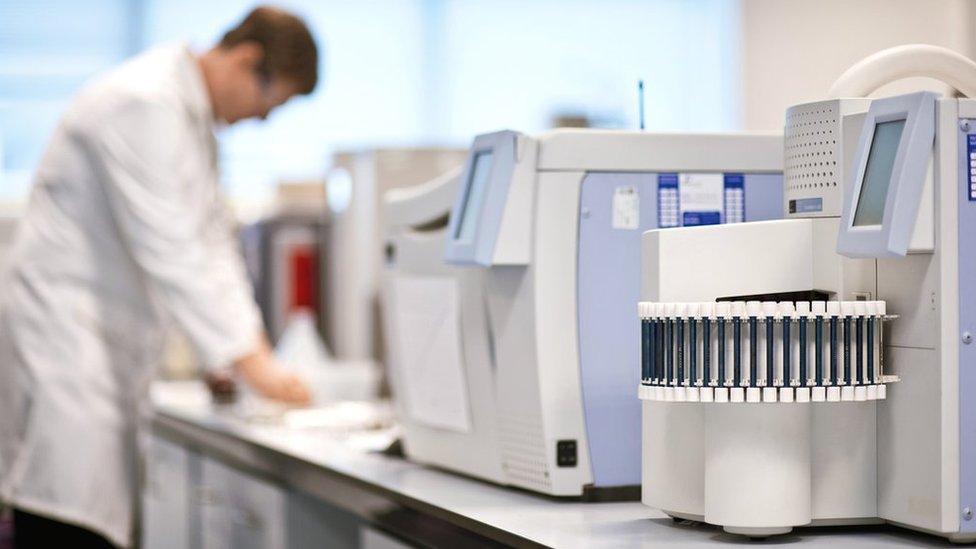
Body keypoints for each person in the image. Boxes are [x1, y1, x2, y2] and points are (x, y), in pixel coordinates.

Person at [0, 6, 319, 548]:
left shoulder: (188, 121)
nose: (262, 120)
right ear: (248, 60)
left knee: (89, 515)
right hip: (65, 350)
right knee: (63, 520)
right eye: (271, 104)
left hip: (99, 354)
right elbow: (172, 250)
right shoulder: (144, 101)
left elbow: (215, 248)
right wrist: (254, 364)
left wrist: (251, 351)